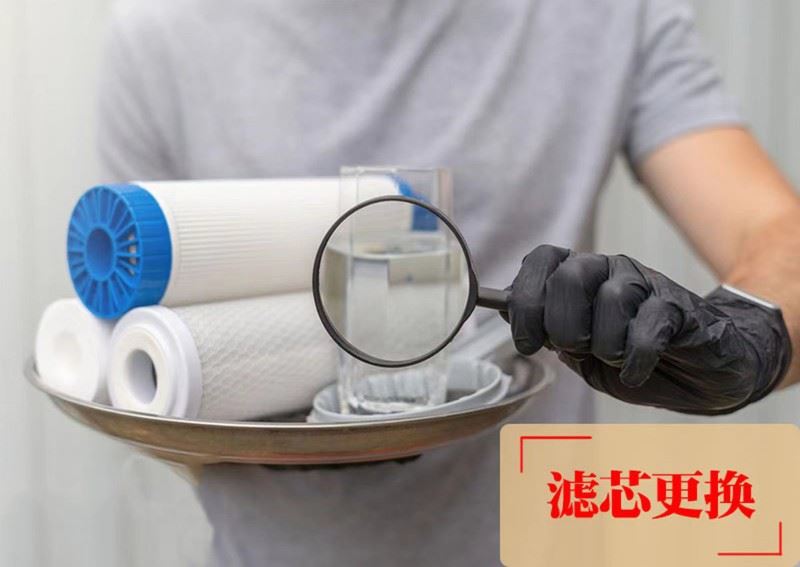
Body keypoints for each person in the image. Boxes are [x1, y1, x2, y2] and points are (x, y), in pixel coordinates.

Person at [96, 0, 800, 564]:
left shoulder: (603, 13)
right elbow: (143, 358)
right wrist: (269, 424)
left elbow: (772, 230)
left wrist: (753, 331)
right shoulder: (159, 34)